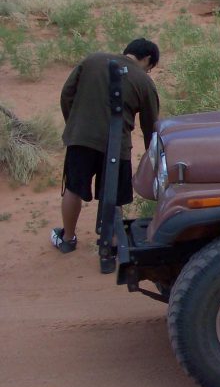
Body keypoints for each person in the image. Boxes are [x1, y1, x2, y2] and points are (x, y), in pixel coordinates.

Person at [51, 38, 161, 254]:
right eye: (150, 68)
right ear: (147, 59)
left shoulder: (92, 60)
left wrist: (75, 126)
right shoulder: (145, 82)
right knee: (114, 196)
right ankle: (110, 243)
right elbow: (150, 126)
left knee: (73, 188)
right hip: (118, 147)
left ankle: (68, 238)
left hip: (81, 139)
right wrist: (152, 156)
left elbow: (67, 94)